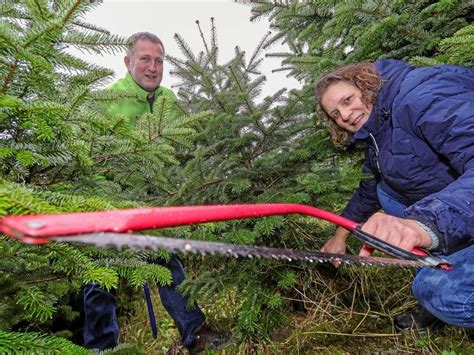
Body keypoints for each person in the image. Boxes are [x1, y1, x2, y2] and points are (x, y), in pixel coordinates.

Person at [83, 32, 229, 353]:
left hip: (152, 202)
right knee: (100, 277)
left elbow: (186, 146)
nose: (152, 67)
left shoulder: (168, 102)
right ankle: (101, 347)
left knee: (165, 263)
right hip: (107, 203)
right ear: (128, 62)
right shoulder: (106, 101)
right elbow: (88, 155)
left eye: (159, 60)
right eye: (145, 59)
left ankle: (194, 332)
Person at [315, 59, 474, 331]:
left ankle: (448, 278)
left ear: (365, 84)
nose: (345, 115)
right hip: (460, 206)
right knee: (385, 193)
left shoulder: (423, 95)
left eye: (347, 99)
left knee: (439, 292)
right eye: (335, 114)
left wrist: (424, 224)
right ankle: (448, 258)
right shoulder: (379, 129)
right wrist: (340, 236)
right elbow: (368, 191)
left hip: (458, 206)